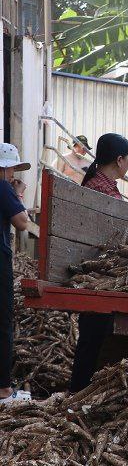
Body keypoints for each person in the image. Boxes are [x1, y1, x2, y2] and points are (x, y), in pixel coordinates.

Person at [70, 133, 128, 392]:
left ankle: (83, 391)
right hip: (98, 278)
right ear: (119, 160)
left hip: (101, 276)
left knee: (95, 338)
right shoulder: (101, 190)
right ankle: (78, 392)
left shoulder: (103, 185)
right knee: (93, 338)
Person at [0, 144, 32, 403]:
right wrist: (18, 193)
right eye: (12, 169)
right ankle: (3, 390)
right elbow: (22, 223)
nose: (13, 175)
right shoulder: (2, 187)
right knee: (3, 322)